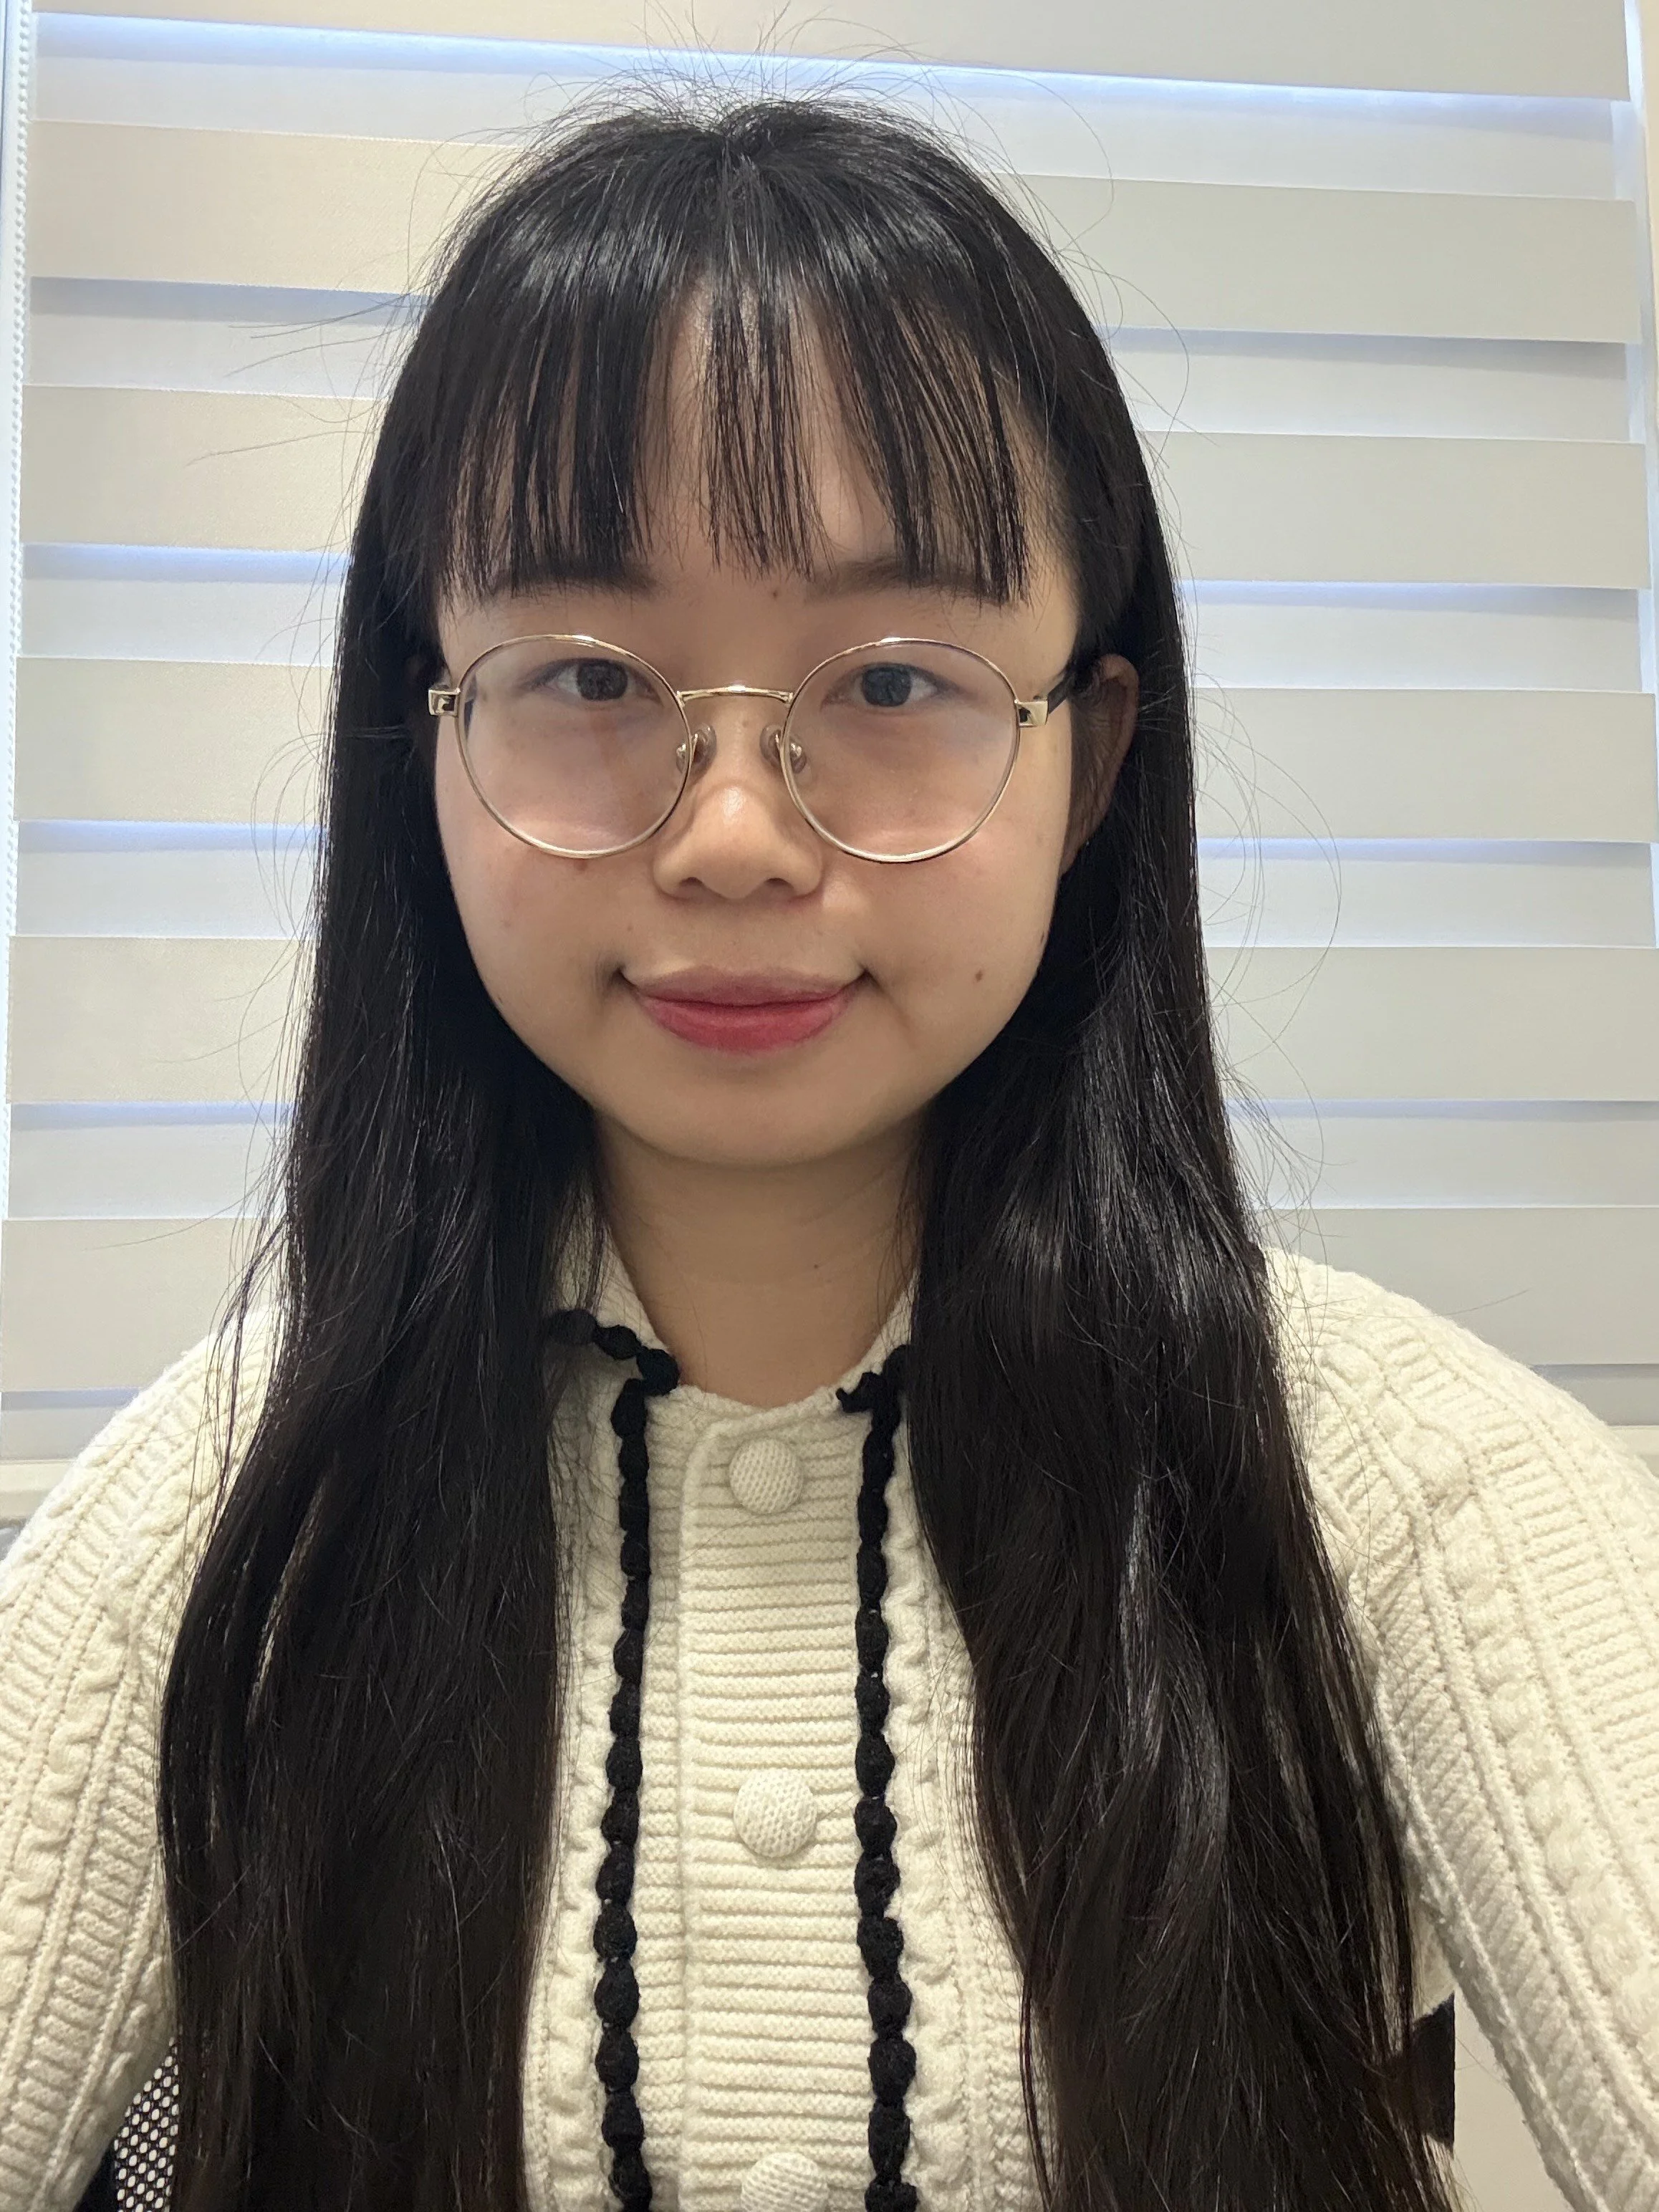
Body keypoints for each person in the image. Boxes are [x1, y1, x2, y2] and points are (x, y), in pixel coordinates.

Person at [1, 88, 1655, 2212]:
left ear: (1089, 756)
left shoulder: (1408, 1498)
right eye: (587, 672)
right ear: (419, 736)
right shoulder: (244, 1511)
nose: (730, 838)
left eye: (890, 677)